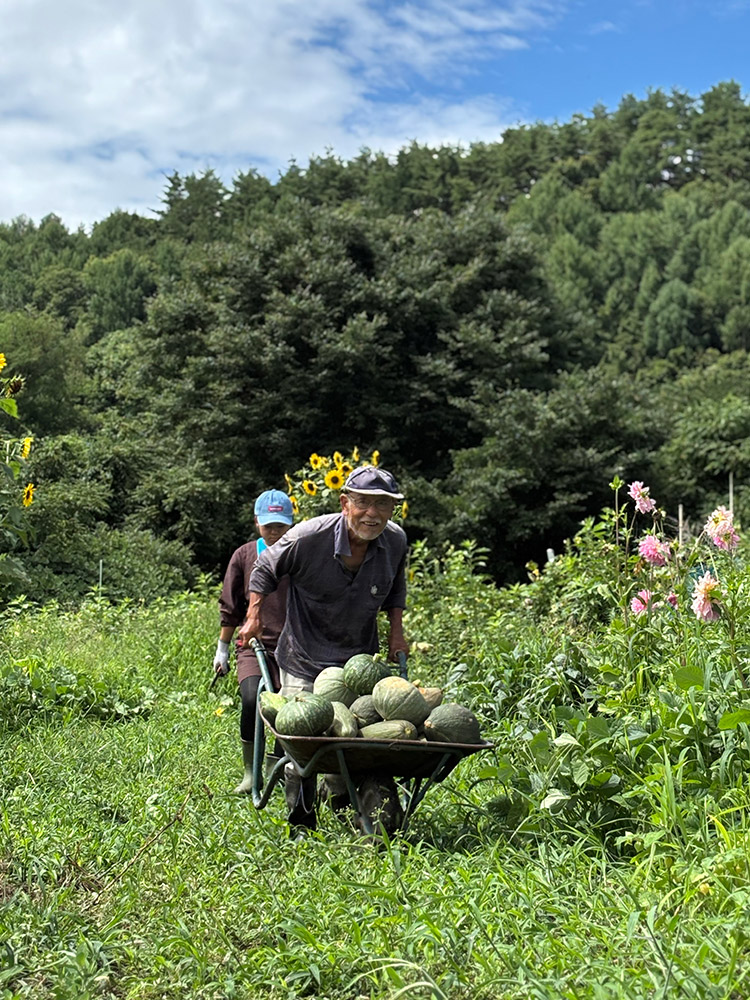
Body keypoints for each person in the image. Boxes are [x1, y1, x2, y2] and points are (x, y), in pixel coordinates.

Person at [238, 465, 409, 833]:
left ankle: (350, 804)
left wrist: (397, 632)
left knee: (357, 739)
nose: (373, 513)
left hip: (358, 663)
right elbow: (264, 569)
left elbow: (396, 589)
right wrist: (253, 617)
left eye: (383, 505)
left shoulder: (395, 541)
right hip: (304, 657)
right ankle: (302, 819)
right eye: (364, 502)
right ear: (345, 503)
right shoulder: (308, 537)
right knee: (304, 740)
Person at [214, 489, 293, 793]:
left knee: (289, 707)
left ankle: (278, 764)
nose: (274, 532)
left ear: (290, 525)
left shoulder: (299, 554)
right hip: (253, 647)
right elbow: (230, 606)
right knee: (252, 699)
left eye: (280, 526)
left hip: (293, 648)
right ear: (257, 523)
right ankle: (251, 771)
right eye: (268, 525)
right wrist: (222, 649)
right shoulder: (245, 555)